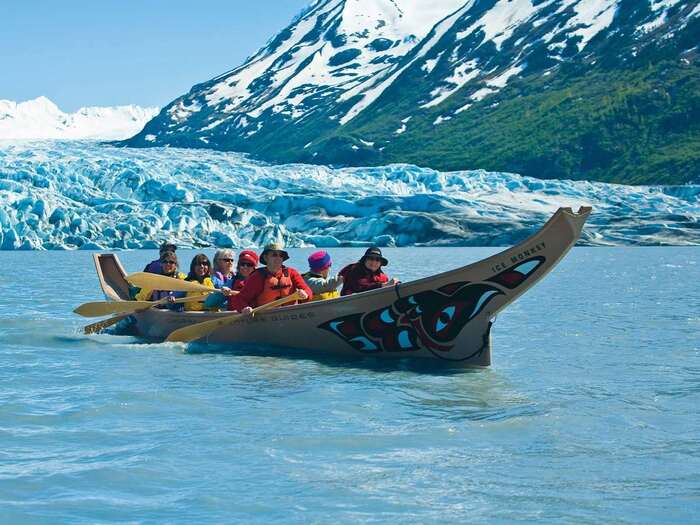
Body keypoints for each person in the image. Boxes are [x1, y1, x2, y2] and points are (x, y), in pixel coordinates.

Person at [228, 243, 311, 313]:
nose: (278, 258)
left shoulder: (291, 273)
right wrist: (244, 308)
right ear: (266, 258)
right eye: (274, 255)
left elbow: (307, 290)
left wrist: (305, 294)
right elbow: (241, 299)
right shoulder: (258, 276)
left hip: (291, 313)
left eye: (281, 255)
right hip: (267, 316)